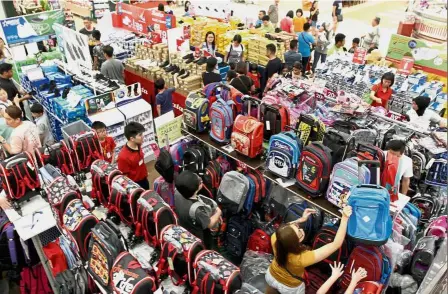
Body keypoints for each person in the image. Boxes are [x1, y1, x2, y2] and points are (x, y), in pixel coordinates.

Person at [265, 206, 353, 294]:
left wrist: (301, 220)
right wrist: (345, 218)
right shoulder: (301, 258)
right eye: (299, 231)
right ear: (296, 242)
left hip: (271, 276)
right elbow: (336, 244)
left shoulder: (275, 238)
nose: (301, 228)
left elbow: (285, 229)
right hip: (289, 288)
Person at [174, 170, 222, 243]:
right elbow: (210, 224)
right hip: (197, 235)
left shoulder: (178, 192)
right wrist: (218, 211)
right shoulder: (197, 210)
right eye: (199, 182)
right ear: (196, 189)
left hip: (183, 225)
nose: (200, 179)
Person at [117, 122, 149, 190]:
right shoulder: (123, 157)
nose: (143, 136)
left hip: (144, 179)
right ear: (132, 139)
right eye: (140, 135)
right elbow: (125, 177)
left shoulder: (138, 144)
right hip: (135, 185)